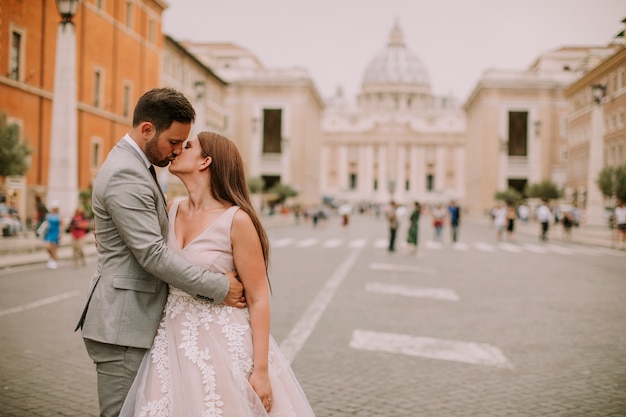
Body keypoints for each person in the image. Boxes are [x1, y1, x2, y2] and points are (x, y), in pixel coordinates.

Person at [74, 88, 245, 417]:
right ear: (147, 129)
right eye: (174, 142)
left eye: (184, 143)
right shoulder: (127, 173)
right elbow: (152, 255)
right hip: (124, 324)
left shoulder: (138, 167)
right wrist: (220, 287)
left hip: (133, 320)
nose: (177, 151)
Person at [120, 132, 315, 416]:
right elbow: (144, 248)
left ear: (205, 161)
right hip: (169, 342)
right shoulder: (170, 210)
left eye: (188, 146)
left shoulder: (237, 220)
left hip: (223, 344)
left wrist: (260, 371)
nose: (177, 150)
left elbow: (259, 299)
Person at [43, 201, 62, 269]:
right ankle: (52, 258)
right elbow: (45, 223)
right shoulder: (48, 215)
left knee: (54, 248)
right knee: (47, 246)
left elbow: (62, 224)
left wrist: (61, 233)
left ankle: (54, 261)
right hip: (49, 232)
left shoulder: (59, 216)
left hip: (56, 232)